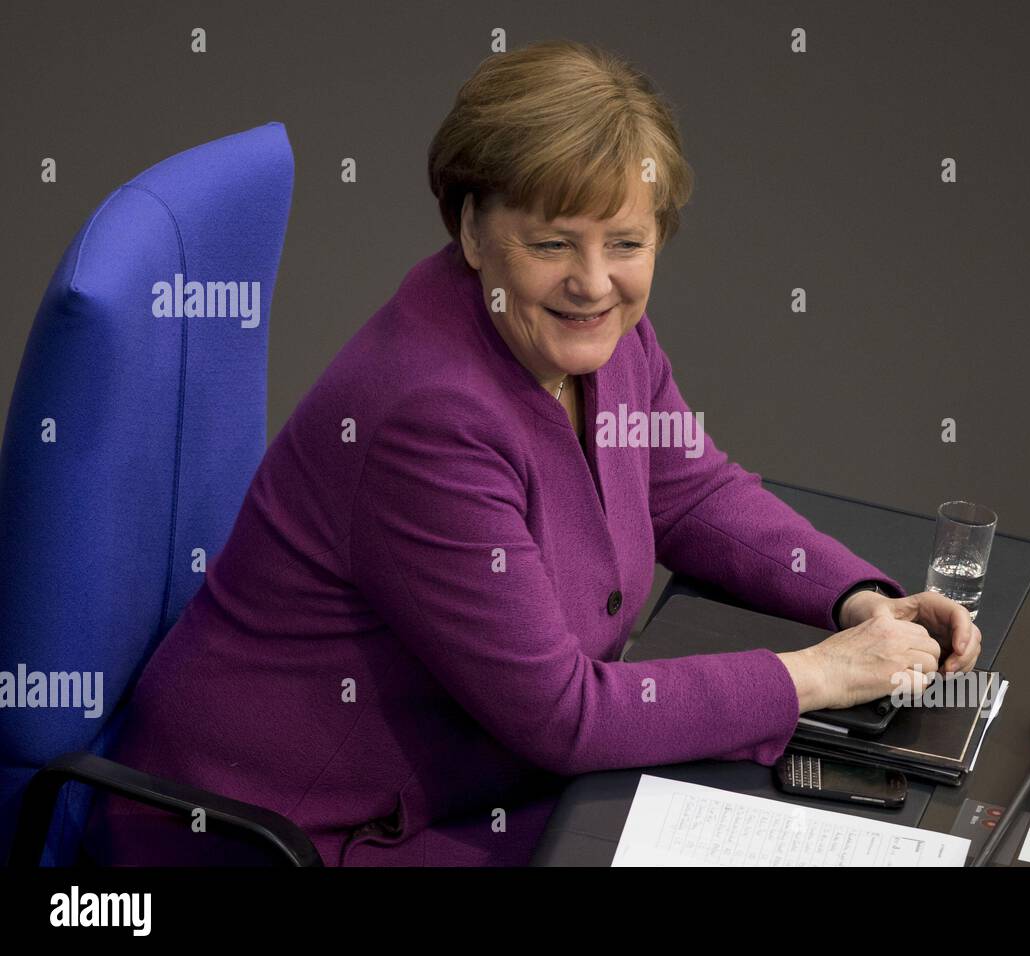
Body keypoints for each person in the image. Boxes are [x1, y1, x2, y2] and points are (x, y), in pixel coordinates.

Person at [85, 38, 980, 867]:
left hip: (480, 779)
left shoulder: (601, 336)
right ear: (473, 232)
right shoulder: (425, 418)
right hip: (295, 834)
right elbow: (566, 716)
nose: (594, 282)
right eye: (553, 244)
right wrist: (812, 676)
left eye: (626, 244)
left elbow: (691, 491)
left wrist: (861, 599)